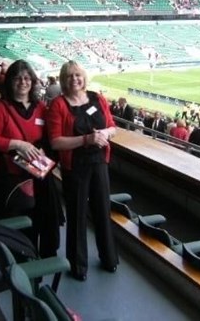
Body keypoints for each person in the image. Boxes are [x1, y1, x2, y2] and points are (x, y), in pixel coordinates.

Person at [47, 60, 118, 281]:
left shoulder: (97, 98)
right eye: (69, 76)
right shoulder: (58, 104)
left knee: (102, 211)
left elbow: (113, 126)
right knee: (77, 216)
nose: (74, 79)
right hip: (74, 166)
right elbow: (56, 142)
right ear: (63, 80)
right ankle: (78, 265)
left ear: (83, 77)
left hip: (99, 163)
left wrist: (106, 134)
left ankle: (109, 258)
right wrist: (87, 139)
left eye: (77, 75)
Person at [0, 59, 62, 258]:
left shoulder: (41, 108)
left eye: (27, 78)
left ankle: (35, 257)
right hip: (8, 178)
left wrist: (43, 150)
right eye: (17, 78)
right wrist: (18, 144)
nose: (23, 82)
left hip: (35, 175)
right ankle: (15, 261)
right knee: (17, 221)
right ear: (9, 81)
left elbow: (50, 137)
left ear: (33, 82)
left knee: (38, 218)